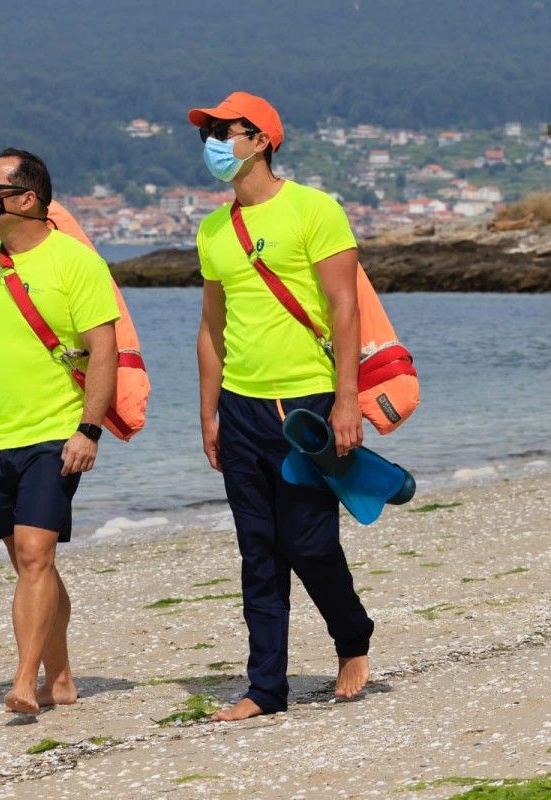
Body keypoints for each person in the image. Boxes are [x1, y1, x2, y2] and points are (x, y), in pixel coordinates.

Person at [189, 92, 375, 721]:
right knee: (258, 551)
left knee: (309, 542)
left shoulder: (314, 210)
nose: (213, 141)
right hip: (240, 409)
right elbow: (211, 326)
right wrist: (208, 412)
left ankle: (352, 638)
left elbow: (344, 309)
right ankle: (265, 689)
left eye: (224, 130)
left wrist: (345, 399)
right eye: (208, 132)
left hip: (306, 404)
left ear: (261, 139)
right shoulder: (213, 230)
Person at [0, 148, 119, 714]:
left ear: (25, 199)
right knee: (32, 564)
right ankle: (60, 677)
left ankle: (23, 678)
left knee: (35, 554)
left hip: (55, 433)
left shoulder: (76, 263)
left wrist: (88, 430)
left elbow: (103, 353)